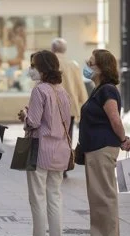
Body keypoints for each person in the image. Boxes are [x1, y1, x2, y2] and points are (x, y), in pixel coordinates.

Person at [79, 49, 130, 236]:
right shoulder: (99, 89)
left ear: (102, 67)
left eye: (91, 63)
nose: (87, 66)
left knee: (104, 197)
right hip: (95, 149)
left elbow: (115, 119)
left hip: (102, 149)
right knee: (98, 198)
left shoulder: (107, 90)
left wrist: (123, 139)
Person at [18, 50, 71, 236]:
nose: (30, 69)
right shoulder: (62, 91)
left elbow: (33, 121)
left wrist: (24, 116)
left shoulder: (39, 90)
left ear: (43, 68)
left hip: (39, 149)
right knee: (55, 197)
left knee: (37, 198)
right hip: (59, 150)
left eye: (33, 66)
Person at [51, 38, 88, 178]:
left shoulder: (50, 63)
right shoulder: (73, 65)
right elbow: (80, 86)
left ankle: (55, 164)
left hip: (53, 106)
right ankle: (65, 165)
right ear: (64, 50)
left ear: (53, 49)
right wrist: (83, 104)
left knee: (53, 136)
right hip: (70, 107)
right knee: (67, 137)